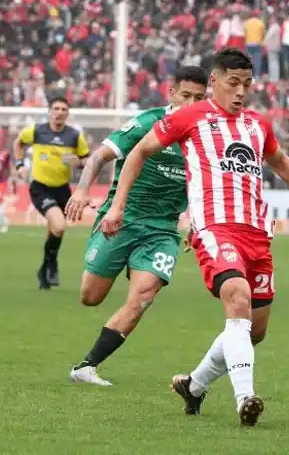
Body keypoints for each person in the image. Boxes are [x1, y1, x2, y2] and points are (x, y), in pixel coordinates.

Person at [100, 48, 289, 427]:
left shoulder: (257, 124)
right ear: (214, 82)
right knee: (237, 298)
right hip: (214, 228)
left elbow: (279, 161)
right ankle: (246, 399)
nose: (241, 92)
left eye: (247, 84)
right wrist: (117, 206)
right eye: (233, 83)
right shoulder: (189, 117)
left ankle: (194, 385)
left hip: (258, 235)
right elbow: (138, 152)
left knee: (253, 330)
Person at [63, 65, 208, 387]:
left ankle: (87, 366)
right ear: (172, 93)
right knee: (91, 296)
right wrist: (84, 189)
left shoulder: (204, 135)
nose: (191, 103)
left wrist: (198, 222)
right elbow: (101, 155)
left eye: (198, 98)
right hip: (122, 219)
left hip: (162, 230)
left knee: (144, 294)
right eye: (185, 95)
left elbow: (203, 185)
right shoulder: (147, 122)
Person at [14, 97, 89, 290]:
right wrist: (20, 165)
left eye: (64, 109)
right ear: (50, 112)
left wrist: (78, 162)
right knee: (60, 225)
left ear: (68, 113)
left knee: (54, 231)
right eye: (56, 108)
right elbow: (19, 143)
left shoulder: (74, 136)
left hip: (63, 189)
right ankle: (52, 264)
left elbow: (87, 160)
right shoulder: (37, 131)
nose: (59, 112)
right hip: (40, 187)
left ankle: (44, 271)